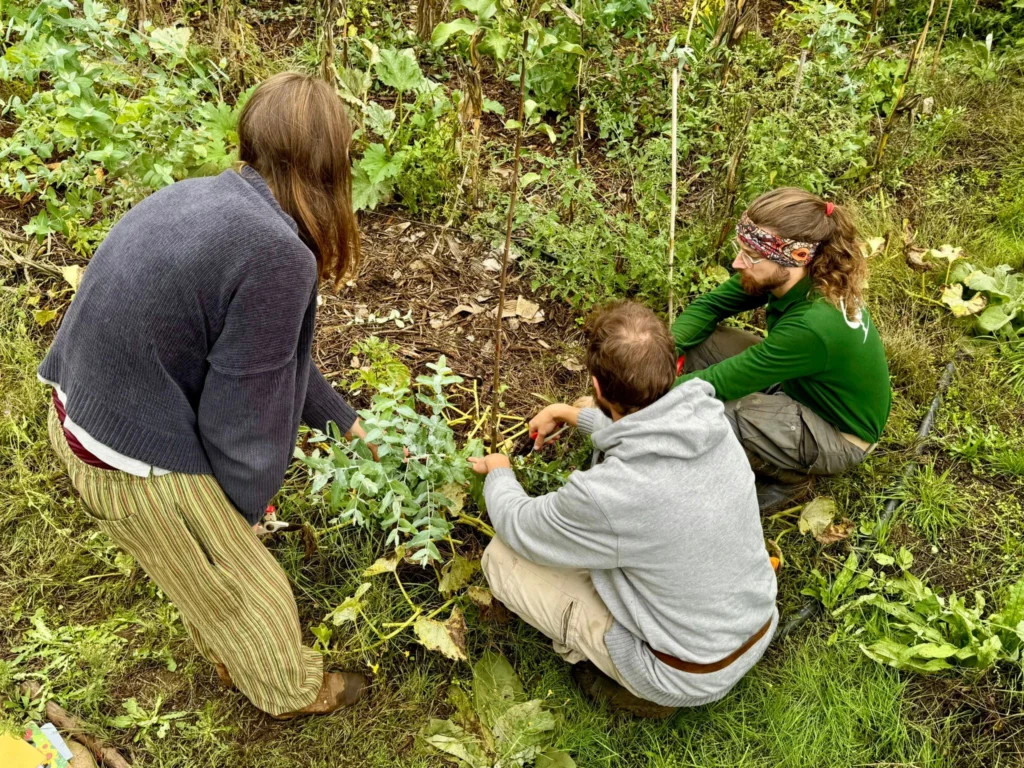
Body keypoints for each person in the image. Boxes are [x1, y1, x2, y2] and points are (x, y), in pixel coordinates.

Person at [38, 73, 370, 719]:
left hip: (83, 407)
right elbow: (241, 410)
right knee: (248, 589)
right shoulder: (278, 255)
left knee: (201, 571)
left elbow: (267, 359)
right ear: (329, 169)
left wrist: (343, 423)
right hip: (126, 454)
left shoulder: (209, 197)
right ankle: (293, 692)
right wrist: (243, 511)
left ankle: (229, 650)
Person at [470, 301, 778, 718]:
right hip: (753, 624)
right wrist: (572, 415)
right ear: (674, 368)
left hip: (686, 672)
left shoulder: (610, 496)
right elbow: (649, 432)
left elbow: (520, 525)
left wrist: (500, 473)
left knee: (502, 558)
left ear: (597, 387)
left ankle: (633, 686)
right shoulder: (711, 421)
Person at [672, 188, 891, 497]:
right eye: (742, 250)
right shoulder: (795, 274)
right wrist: (659, 358)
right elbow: (708, 307)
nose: (738, 263)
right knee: (703, 341)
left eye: (751, 256)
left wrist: (639, 399)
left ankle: (788, 479)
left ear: (796, 257)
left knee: (719, 413)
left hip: (840, 434)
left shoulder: (812, 325)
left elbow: (716, 383)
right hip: (800, 386)